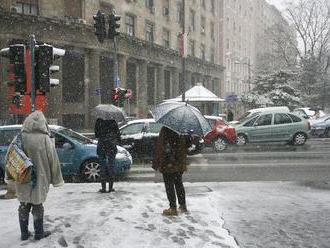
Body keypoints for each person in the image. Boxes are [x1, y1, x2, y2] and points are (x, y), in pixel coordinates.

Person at [15, 111, 64, 241]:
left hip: (23, 176)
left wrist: (9, 176)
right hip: (40, 176)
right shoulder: (44, 139)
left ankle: (24, 233)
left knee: (24, 204)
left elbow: (12, 157)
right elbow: (53, 160)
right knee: (37, 205)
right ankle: (38, 233)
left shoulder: (20, 137)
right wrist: (57, 179)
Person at [152, 126, 188, 216]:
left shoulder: (167, 129)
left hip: (169, 163)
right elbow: (184, 145)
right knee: (178, 183)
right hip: (178, 162)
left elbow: (164, 147)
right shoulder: (180, 129)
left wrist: (167, 161)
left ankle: (173, 208)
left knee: (169, 185)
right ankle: (182, 205)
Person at [95, 118, 121, 193]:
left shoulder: (99, 121)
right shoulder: (113, 121)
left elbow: (96, 134)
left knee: (102, 166)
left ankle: (103, 188)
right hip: (111, 146)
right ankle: (110, 187)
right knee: (111, 166)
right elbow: (117, 134)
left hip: (102, 145)